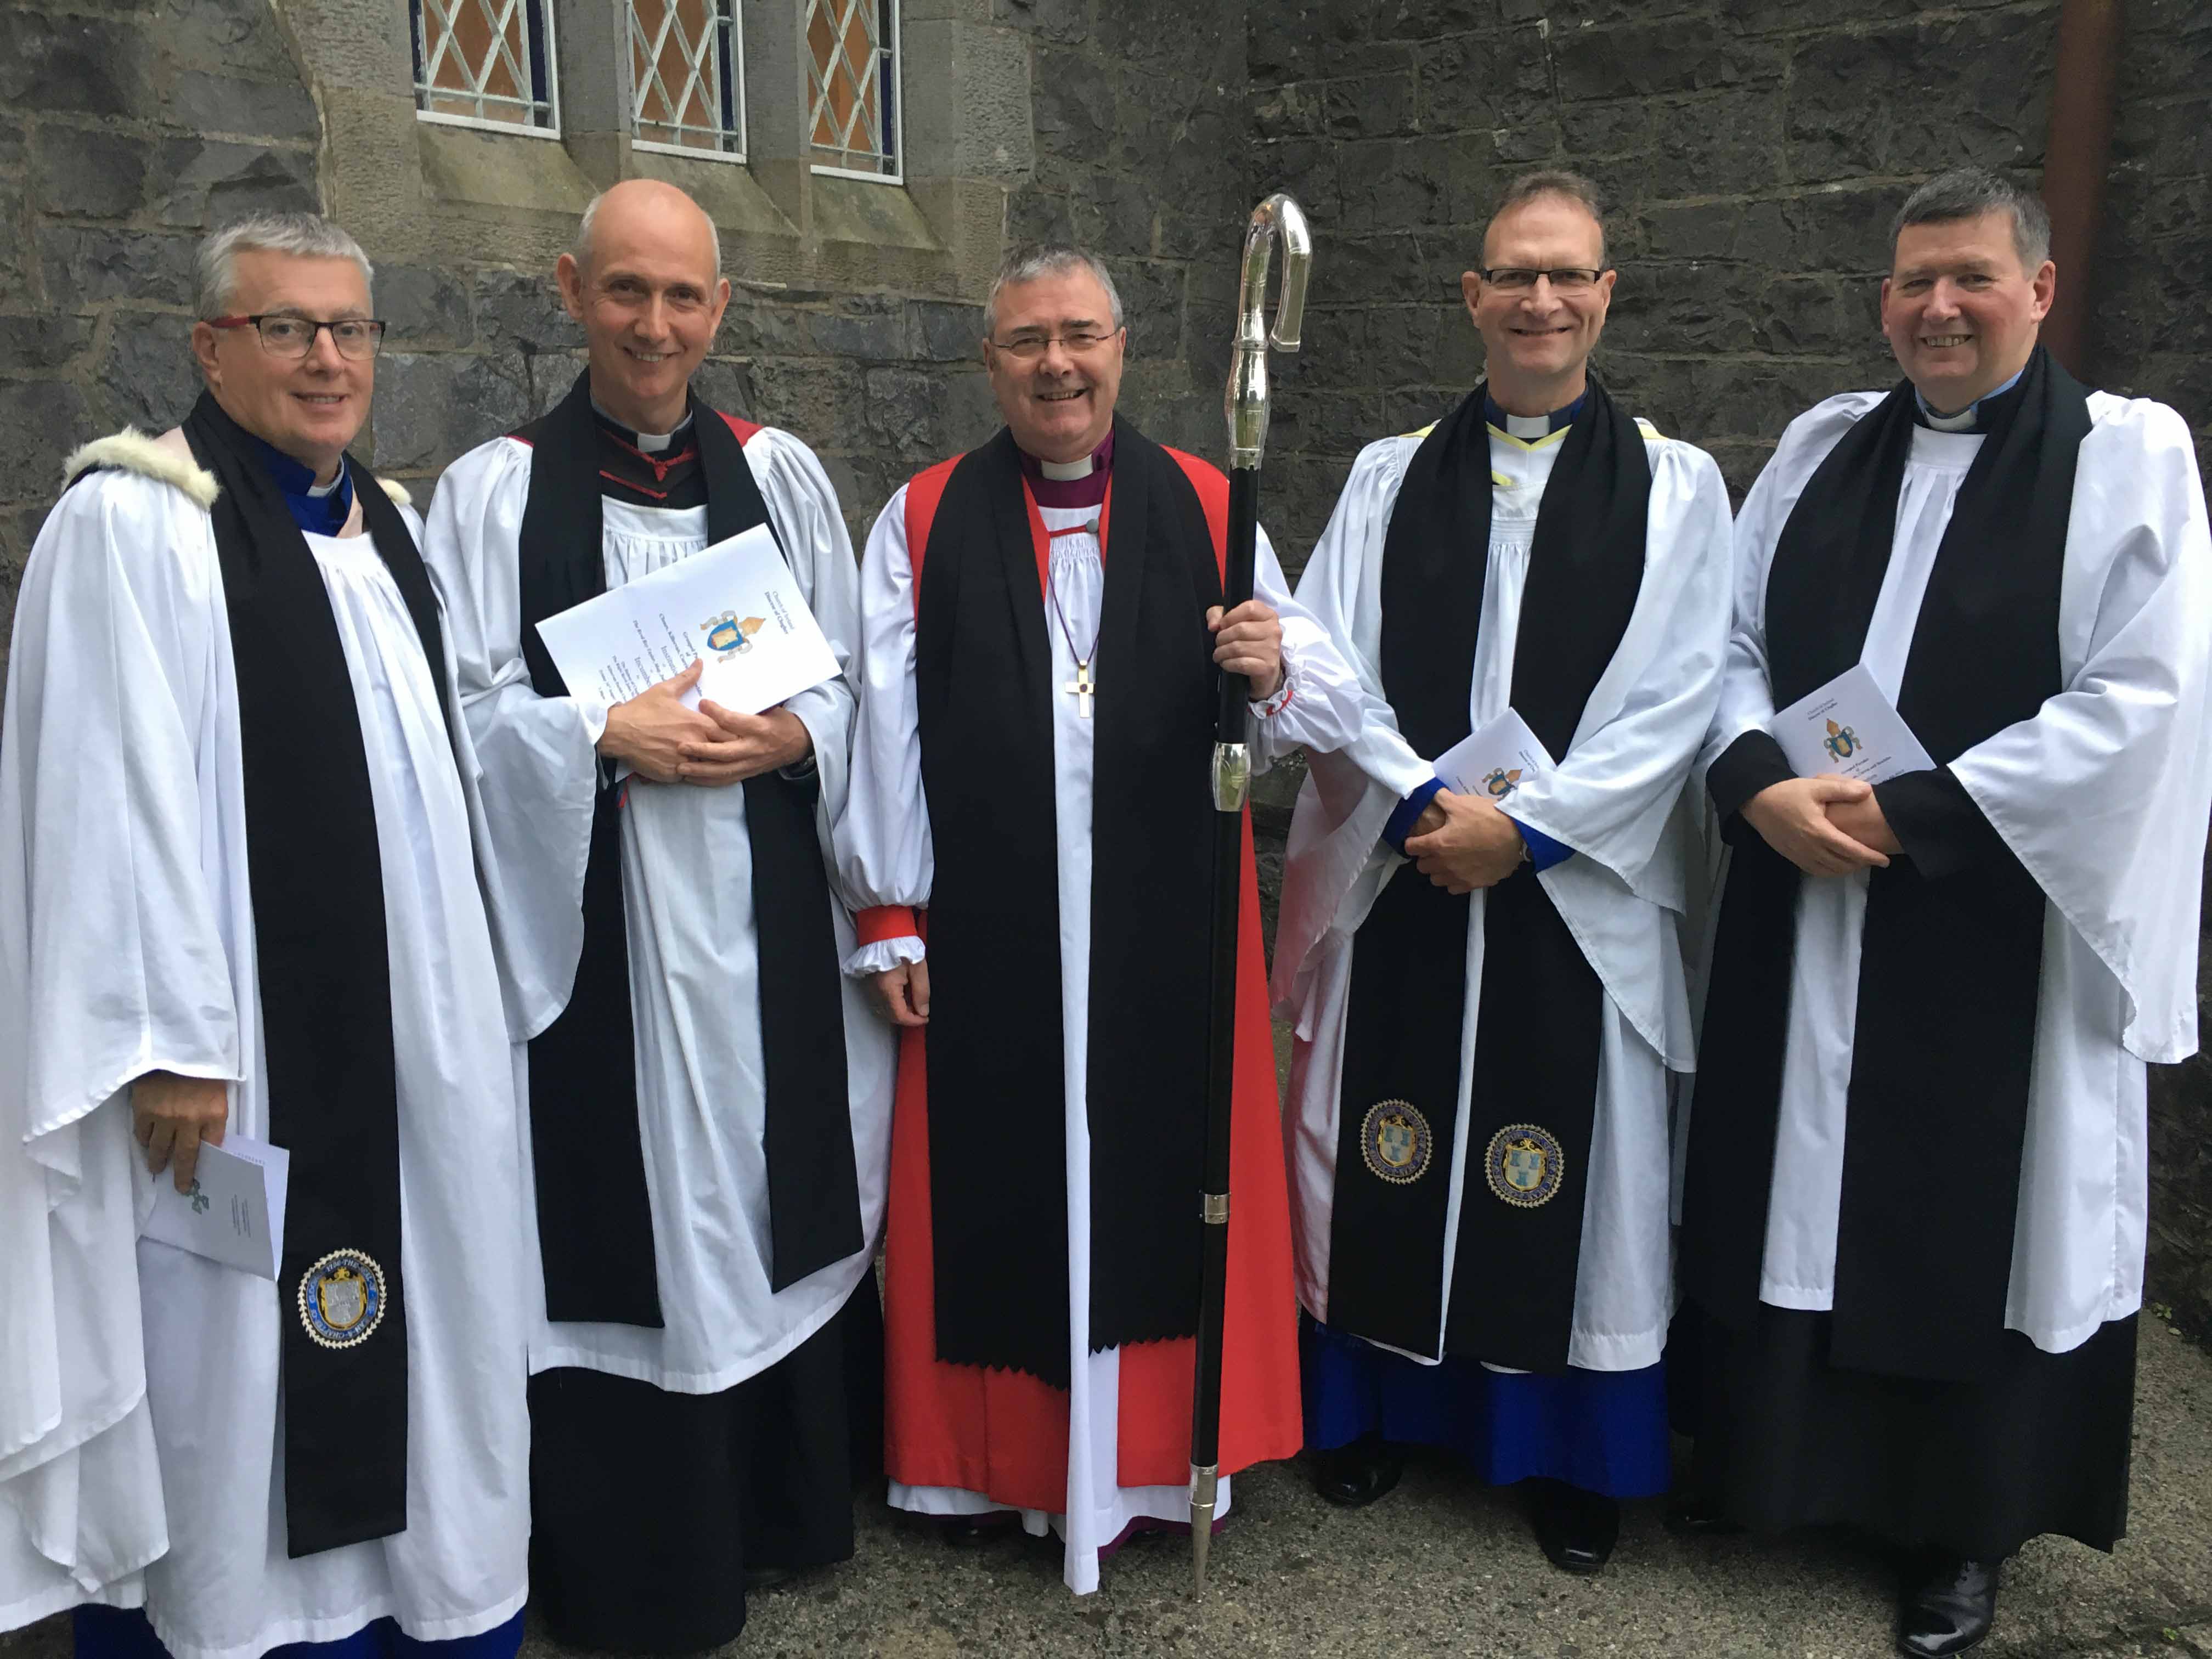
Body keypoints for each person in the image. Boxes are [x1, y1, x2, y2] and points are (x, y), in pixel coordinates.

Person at [1677, 166, 2212, 1658]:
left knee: (1976, 1209)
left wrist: (1914, 814)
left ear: (2039, 292)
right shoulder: (1819, 449)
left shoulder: (2123, 461)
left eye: (1972, 277)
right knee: (1794, 1180)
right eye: (1914, 281)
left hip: (1991, 914)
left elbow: (2142, 701)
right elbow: (1727, 644)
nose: (1938, 306)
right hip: (1808, 888)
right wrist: (1752, 781)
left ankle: (1953, 1528)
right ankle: (1778, 1472)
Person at [0, 214, 530, 1659]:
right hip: (241, 1057)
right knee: (231, 1366)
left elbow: (453, 765)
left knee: (440, 1320)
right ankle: (245, 1630)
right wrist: (170, 1041)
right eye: (285, 326)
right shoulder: (138, 520)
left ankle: (427, 1611)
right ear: (209, 347)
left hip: (419, 1045)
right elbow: (112, 788)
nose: (325, 357)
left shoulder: (395, 529)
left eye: (349, 328)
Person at [840, 245, 1373, 1594]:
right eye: (1026, 341)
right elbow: (882, 731)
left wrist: (1277, 663)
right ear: (991, 363)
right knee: (1007, 1171)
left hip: (1163, 919)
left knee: (1152, 1167)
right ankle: (999, 1462)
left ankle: (1142, 1461)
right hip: (995, 917)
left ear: (1125, 347)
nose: (1057, 364)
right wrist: (890, 909)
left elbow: (1324, 694)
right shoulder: (919, 517)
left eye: (1079, 335)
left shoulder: (1208, 499)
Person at [420, 178, 893, 1654]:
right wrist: (593, 737)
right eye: (625, 291)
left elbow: (851, 678)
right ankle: (638, 1562)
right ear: (571, 291)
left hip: (761, 939)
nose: (654, 323)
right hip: (601, 930)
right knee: (627, 1209)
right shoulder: (493, 493)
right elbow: (463, 712)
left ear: (720, 311)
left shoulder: (785, 474)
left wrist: (798, 737)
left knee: (759, 1196)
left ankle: (788, 1511)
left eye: (683, 296)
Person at [1268, 170, 1733, 1573]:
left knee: (1574, 1180)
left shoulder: (1674, 487)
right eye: (1514, 274)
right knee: (1380, 1142)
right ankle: (1377, 1410)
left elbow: (1680, 695)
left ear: (1606, 296)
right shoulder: (1384, 475)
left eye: (1568, 275)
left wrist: (1526, 830)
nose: (1541, 299)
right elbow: (1321, 655)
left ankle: (1574, 1456)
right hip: (1408, 863)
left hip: (1571, 897)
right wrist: (1425, 800)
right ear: (1471, 295)